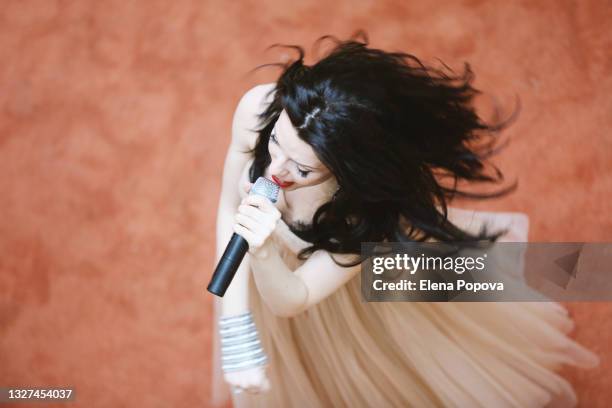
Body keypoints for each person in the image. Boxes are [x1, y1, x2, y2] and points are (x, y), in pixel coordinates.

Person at [209, 31, 600, 407]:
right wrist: (236, 326)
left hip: (333, 293)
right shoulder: (258, 108)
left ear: (347, 171)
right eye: (276, 142)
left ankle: (590, 272)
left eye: (303, 170)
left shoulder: (362, 213)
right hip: (265, 280)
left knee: (394, 361)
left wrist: (260, 252)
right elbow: (230, 208)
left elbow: (296, 298)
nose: (276, 170)